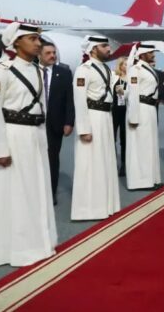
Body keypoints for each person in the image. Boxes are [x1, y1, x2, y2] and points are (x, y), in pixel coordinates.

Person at [0, 22, 58, 266]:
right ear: (16, 42)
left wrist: (43, 141)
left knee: (37, 190)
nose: (38, 43)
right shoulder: (3, 71)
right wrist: (0, 148)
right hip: (14, 136)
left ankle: (40, 242)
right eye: (32, 39)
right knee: (17, 195)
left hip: (36, 136)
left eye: (38, 39)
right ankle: (17, 248)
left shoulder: (37, 70)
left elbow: (41, 108)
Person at [71, 35, 121, 221]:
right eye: (104, 46)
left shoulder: (106, 69)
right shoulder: (83, 70)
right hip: (92, 118)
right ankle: (87, 209)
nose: (109, 49)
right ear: (93, 49)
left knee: (105, 161)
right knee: (90, 163)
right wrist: (84, 129)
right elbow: (79, 100)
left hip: (106, 117)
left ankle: (105, 205)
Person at [38, 40, 75, 205]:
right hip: (33, 124)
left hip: (54, 124)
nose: (52, 56)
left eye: (54, 53)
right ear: (39, 54)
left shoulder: (64, 73)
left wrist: (69, 122)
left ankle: (51, 193)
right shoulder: (31, 71)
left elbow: (69, 100)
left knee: (52, 160)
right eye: (48, 53)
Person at [125, 42, 163, 190]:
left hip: (150, 109)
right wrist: (133, 117)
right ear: (142, 54)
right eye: (150, 53)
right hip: (140, 109)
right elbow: (133, 94)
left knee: (149, 145)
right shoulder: (136, 69)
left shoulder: (147, 68)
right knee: (140, 147)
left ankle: (152, 178)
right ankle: (140, 182)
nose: (153, 55)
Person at [112, 57, 128, 177]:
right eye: (125, 64)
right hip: (114, 111)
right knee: (112, 138)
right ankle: (112, 163)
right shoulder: (114, 78)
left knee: (124, 139)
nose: (127, 66)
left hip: (126, 110)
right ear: (120, 65)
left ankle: (123, 164)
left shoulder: (130, 79)